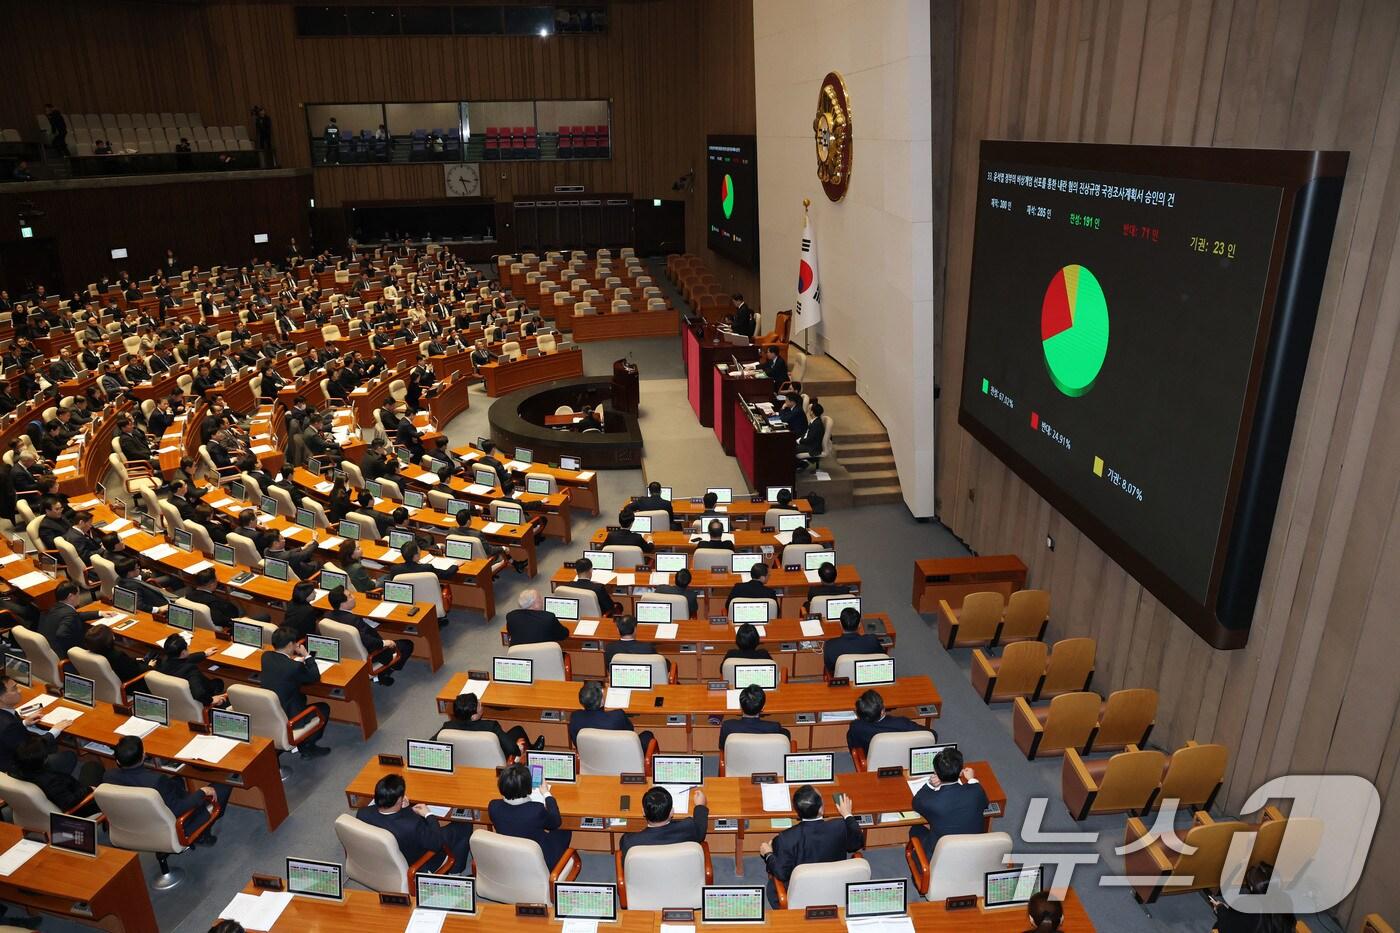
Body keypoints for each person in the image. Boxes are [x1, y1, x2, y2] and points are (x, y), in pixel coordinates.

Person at [102, 735, 231, 843]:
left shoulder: (108, 777)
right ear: (143, 756)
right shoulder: (156, 782)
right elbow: (178, 809)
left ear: (118, 761)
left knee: (177, 781)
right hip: (177, 823)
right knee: (224, 785)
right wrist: (202, 792)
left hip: (138, 822)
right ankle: (202, 833)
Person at [758, 785, 864, 907]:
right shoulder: (840, 826)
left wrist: (768, 854)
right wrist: (847, 815)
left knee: (773, 886)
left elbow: (781, 873)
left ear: (797, 810)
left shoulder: (785, 838)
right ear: (820, 810)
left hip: (802, 894)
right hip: (836, 887)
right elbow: (856, 843)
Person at [356, 773, 473, 874]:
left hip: (386, 859)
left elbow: (395, 819)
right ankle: (455, 871)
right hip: (420, 862)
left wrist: (405, 809)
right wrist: (429, 815)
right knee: (464, 824)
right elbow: (437, 843)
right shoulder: (412, 825)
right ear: (399, 800)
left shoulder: (362, 813)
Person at [260, 626, 330, 757]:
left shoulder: (266, 657)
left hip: (269, 713)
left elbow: (283, 668)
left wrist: (294, 662)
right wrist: (307, 656)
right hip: (289, 717)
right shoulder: (294, 667)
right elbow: (314, 677)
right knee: (323, 708)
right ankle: (307, 747)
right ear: (290, 644)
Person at [487, 763, 572, 865]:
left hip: (508, 857)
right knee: (565, 831)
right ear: (528, 787)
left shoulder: (493, 806)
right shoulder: (536, 810)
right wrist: (547, 794)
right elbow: (556, 823)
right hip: (538, 860)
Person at [909, 747, 988, 855]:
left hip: (939, 855)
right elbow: (985, 803)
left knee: (915, 829)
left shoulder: (932, 801)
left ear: (936, 772)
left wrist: (929, 784)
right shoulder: (976, 791)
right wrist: (971, 779)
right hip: (971, 852)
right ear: (961, 772)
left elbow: (916, 803)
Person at [325, 587, 412, 685]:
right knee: (407, 645)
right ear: (343, 604)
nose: (353, 597)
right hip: (370, 656)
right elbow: (370, 642)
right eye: (350, 596)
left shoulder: (327, 617)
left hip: (345, 656)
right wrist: (385, 643)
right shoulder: (354, 621)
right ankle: (384, 672)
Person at [0, 673, 78, 776]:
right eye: (14, 689)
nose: (20, 690)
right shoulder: (8, 726)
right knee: (69, 755)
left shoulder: (6, 714)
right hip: (20, 769)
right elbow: (29, 752)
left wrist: (24, 723)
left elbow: (10, 734)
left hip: (11, 757)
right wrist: (54, 731)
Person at [9, 735, 102, 814]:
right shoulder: (51, 782)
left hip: (41, 804)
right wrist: (89, 789)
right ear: (43, 760)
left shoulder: (14, 771)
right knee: (93, 766)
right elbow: (68, 802)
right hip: (79, 807)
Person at [437, 692, 542, 758]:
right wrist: (517, 749)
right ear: (473, 716)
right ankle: (533, 751)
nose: (481, 704)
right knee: (518, 730)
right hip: (494, 758)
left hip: (465, 758)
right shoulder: (491, 727)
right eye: (478, 705)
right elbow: (511, 749)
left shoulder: (447, 727)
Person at [619, 784, 710, 854]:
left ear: (643, 812)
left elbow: (626, 865)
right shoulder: (688, 828)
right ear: (671, 812)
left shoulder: (629, 842)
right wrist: (700, 806)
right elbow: (700, 832)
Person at [1210, 864, 1297, 933]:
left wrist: (1220, 908)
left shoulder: (1247, 904)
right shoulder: (1285, 898)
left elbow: (1227, 928)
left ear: (1252, 887)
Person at [567, 680, 653, 750]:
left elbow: (577, 743)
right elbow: (630, 732)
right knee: (647, 735)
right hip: (621, 755)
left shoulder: (575, 718)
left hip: (593, 760)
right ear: (601, 701)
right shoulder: (617, 716)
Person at [846, 689, 929, 756]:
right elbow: (931, 735)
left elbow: (853, 746)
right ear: (882, 711)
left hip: (872, 759)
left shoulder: (856, 726)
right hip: (902, 757)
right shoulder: (901, 723)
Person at [155, 634, 227, 707]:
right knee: (219, 683)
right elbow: (199, 694)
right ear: (183, 652)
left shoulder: (164, 661)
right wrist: (211, 700)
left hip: (172, 698)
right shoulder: (190, 670)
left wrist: (204, 654)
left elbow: (185, 659)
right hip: (202, 694)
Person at [36, 581, 101, 657]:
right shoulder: (70, 614)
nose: (79, 597)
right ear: (70, 596)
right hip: (62, 656)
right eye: (78, 594)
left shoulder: (55, 607)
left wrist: (99, 613)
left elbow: (76, 615)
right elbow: (61, 634)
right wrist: (76, 649)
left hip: (46, 650)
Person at [719, 684, 790, 747]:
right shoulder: (774, 727)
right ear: (762, 707)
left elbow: (723, 747)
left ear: (740, 706)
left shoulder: (727, 726)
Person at [823, 607, 885, 673]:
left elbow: (829, 668)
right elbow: (881, 655)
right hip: (866, 673)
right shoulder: (872, 640)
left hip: (843, 677)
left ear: (840, 624)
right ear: (859, 625)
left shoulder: (830, 645)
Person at [82, 625, 149, 684]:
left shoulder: (94, 651)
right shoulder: (117, 656)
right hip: (132, 684)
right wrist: (149, 666)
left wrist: (134, 660)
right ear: (110, 639)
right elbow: (135, 672)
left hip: (103, 683)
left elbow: (125, 664)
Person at [795, 402, 825, 471]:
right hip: (810, 444)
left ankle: (799, 465)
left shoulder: (817, 424)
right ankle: (801, 464)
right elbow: (807, 434)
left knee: (792, 448)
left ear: (812, 412)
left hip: (813, 448)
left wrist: (799, 441)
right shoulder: (815, 421)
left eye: (810, 409)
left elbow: (810, 439)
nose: (808, 411)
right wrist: (799, 439)